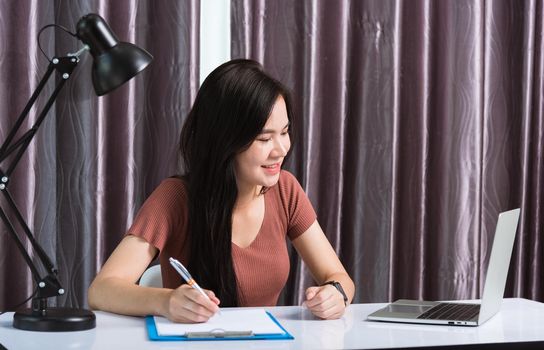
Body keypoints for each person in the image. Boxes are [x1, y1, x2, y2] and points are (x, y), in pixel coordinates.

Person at [88, 59, 355, 323]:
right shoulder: (176, 198)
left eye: (284, 132)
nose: (281, 149)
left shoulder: (285, 190)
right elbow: (102, 290)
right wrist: (165, 301)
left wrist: (335, 294)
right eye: (264, 138)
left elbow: (338, 276)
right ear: (225, 140)